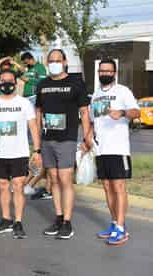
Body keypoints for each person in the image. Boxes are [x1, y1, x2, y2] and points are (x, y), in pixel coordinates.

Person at [0, 69, 42, 239]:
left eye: (10, 80)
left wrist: (37, 151)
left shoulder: (24, 103)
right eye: (3, 81)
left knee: (18, 186)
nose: (7, 83)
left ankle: (18, 222)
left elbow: (33, 127)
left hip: (19, 153)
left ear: (15, 83)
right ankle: (6, 220)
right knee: (3, 186)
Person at [35, 49, 91, 239]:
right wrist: (37, 144)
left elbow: (84, 112)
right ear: (47, 62)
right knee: (53, 179)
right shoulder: (42, 84)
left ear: (65, 61)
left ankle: (67, 222)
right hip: (47, 139)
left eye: (58, 60)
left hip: (67, 139)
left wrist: (86, 137)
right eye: (51, 61)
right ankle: (58, 218)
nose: (54, 63)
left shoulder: (76, 83)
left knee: (65, 179)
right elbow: (38, 114)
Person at [86, 59, 140, 245]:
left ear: (114, 73)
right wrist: (88, 137)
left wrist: (122, 113)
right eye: (102, 71)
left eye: (108, 70)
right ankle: (114, 222)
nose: (104, 73)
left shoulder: (122, 91)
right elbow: (93, 121)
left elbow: (136, 112)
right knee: (107, 187)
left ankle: (121, 228)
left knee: (118, 187)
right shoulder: (95, 95)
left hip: (118, 149)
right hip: (101, 149)